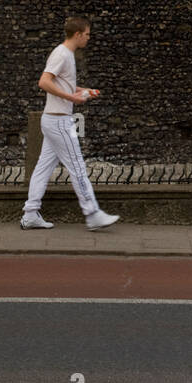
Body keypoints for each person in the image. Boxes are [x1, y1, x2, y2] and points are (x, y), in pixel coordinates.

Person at [20, 17, 119, 231]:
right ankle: (92, 214)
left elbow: (64, 85)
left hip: (53, 120)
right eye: (87, 34)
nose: (89, 38)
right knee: (77, 167)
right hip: (59, 121)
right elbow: (44, 81)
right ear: (78, 34)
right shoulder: (62, 54)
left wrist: (84, 91)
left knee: (43, 168)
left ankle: (30, 214)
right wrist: (73, 98)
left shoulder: (67, 55)